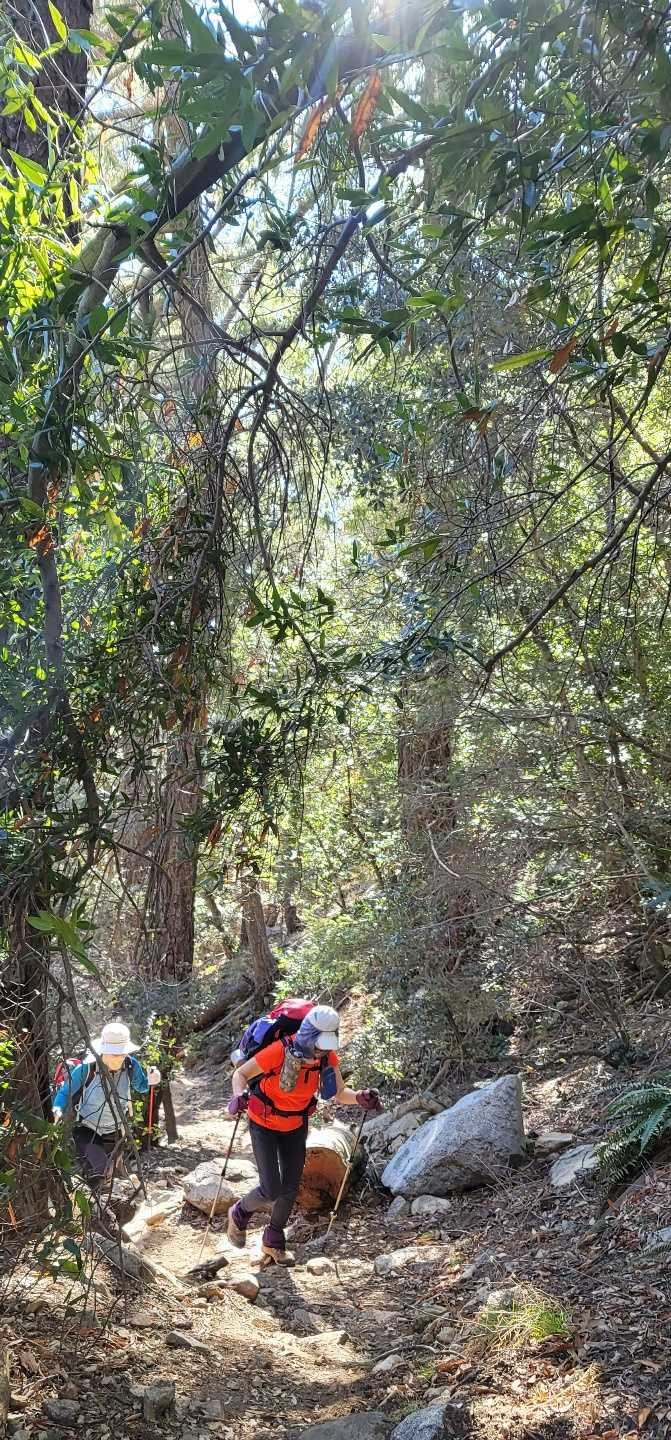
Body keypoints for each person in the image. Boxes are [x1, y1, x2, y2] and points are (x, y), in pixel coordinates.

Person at [226, 1004, 381, 1264]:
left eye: (326, 1045)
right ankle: (239, 1212)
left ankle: (273, 1241)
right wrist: (238, 1096)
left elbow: (339, 1092)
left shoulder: (327, 1057)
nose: (322, 1051)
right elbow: (241, 1073)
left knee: (290, 1187)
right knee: (271, 1189)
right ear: (308, 1036)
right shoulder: (280, 1050)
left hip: (295, 1125)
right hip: (264, 1122)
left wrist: (359, 1098)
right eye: (319, 1045)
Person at [52, 1021, 161, 1185]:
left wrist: (152, 1080)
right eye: (114, 1054)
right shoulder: (86, 1069)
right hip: (87, 1128)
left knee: (108, 1176)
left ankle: (99, 1196)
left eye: (122, 1053)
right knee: (100, 1170)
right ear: (103, 1051)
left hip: (116, 1130)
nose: (119, 1058)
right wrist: (57, 1109)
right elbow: (64, 1092)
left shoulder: (130, 1065)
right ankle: (90, 1196)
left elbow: (142, 1087)